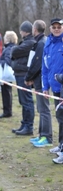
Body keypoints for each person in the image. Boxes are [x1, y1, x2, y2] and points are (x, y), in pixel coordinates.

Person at [24, 20, 50, 147]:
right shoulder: (39, 41)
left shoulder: (41, 43)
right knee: (40, 108)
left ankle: (47, 137)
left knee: (44, 109)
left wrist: (29, 77)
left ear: (35, 29)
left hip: (42, 81)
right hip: (38, 80)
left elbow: (36, 64)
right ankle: (41, 135)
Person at [41, 18, 63, 163]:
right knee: (60, 118)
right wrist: (45, 87)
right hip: (54, 87)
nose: (56, 29)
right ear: (50, 28)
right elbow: (45, 67)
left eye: (59, 27)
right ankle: (61, 145)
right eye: (54, 27)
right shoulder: (48, 43)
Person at [10, 21, 36, 136]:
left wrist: (14, 51)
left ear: (24, 31)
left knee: (27, 101)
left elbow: (15, 51)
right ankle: (24, 124)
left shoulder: (30, 42)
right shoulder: (25, 42)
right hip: (19, 73)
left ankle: (28, 126)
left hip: (24, 74)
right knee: (23, 101)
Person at [0, 31, 17, 118]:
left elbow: (8, 61)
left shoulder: (8, 49)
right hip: (7, 73)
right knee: (6, 92)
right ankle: (7, 110)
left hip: (6, 74)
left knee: (6, 92)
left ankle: (7, 111)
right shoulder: (11, 48)